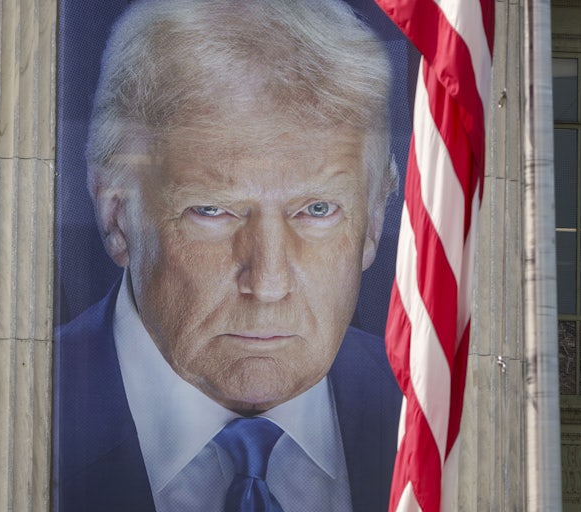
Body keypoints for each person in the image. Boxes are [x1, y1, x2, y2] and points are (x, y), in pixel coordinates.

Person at [55, 0, 402, 510]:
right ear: (116, 218)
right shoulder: (17, 403)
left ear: (373, 222)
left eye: (317, 209)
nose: (267, 282)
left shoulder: (427, 412)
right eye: (213, 211)